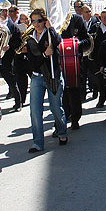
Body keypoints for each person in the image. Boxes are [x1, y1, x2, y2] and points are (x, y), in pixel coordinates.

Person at [23, 9, 68, 153]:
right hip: (37, 77)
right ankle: (37, 142)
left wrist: (51, 28)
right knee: (35, 111)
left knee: (56, 109)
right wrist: (44, 54)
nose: (36, 24)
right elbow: (32, 61)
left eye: (39, 21)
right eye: (33, 21)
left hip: (53, 76)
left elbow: (58, 42)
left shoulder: (50, 35)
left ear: (44, 21)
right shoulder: (30, 39)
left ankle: (62, 131)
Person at [59, 9, 92, 130]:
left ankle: (75, 119)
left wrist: (75, 44)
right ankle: (62, 118)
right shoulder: (54, 20)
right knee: (61, 94)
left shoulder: (77, 19)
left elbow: (87, 40)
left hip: (75, 63)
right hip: (59, 63)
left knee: (75, 92)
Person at [89, 9, 106, 108]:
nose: (103, 19)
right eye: (102, 17)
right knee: (100, 81)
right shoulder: (96, 27)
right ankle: (101, 99)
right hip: (98, 58)